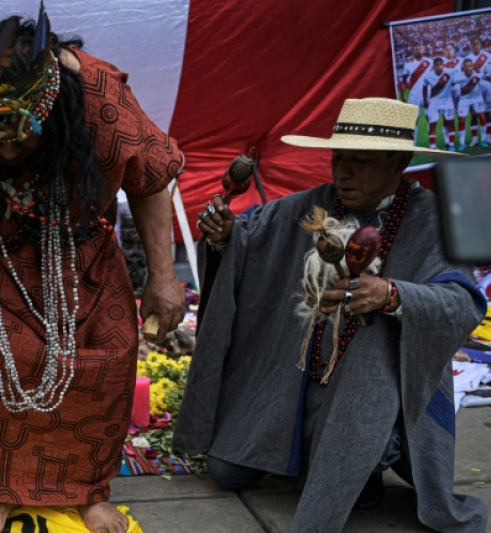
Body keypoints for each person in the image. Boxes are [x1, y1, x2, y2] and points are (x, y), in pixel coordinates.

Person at [0, 3, 185, 533]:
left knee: (103, 357)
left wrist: (163, 276)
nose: (6, 145)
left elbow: (150, 179)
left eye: (22, 133)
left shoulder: (99, 99)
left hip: (79, 256)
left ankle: (88, 490)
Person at [174, 97, 487, 532]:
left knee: (374, 348)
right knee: (227, 472)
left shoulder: (431, 220)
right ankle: (324, 461)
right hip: (291, 382)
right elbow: (250, 240)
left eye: (360, 162)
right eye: (338, 158)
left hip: (371, 392)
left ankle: (370, 460)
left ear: (399, 163)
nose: (343, 172)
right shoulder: (312, 205)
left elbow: (463, 302)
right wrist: (226, 236)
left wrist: (394, 295)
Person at [421, 57, 459, 150]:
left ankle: (451, 145)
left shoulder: (450, 72)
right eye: (437, 65)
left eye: (440, 65)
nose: (439, 67)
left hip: (447, 102)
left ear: (443, 65)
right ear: (434, 66)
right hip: (434, 103)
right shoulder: (428, 76)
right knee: (432, 124)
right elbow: (424, 87)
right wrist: (425, 100)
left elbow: (461, 72)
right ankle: (433, 146)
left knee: (450, 123)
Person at [452, 59, 489, 148]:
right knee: (461, 120)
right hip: (464, 100)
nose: (468, 68)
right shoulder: (458, 77)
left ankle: (483, 140)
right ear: (463, 68)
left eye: (470, 66)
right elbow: (453, 82)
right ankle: (462, 143)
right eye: (466, 66)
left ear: (473, 67)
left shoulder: (478, 75)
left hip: (477, 99)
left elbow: (487, 77)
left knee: (482, 117)